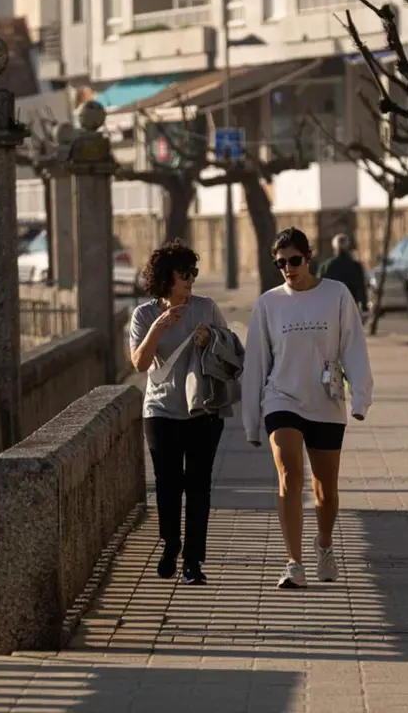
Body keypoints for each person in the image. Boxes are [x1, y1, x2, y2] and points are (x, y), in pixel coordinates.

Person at [242, 227, 374, 589]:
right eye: (280, 263)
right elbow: (256, 362)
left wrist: (360, 396)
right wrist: (252, 422)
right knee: (289, 476)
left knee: (325, 491)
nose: (288, 268)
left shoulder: (336, 295)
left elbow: (353, 347)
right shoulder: (268, 303)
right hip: (281, 398)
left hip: (326, 401)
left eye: (294, 260)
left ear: (308, 257)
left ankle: (325, 547)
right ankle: (293, 563)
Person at [129, 239, 229, 585]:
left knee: (199, 486)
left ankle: (192, 562)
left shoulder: (206, 308)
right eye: (184, 273)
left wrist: (210, 340)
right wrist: (158, 329)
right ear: (165, 277)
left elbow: (230, 350)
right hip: (160, 411)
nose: (190, 279)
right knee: (168, 485)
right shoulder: (143, 315)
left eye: (194, 272)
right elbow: (140, 364)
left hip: (202, 410)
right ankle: (171, 544)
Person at [317, 233, 369, 316]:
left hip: (331, 306)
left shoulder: (325, 266)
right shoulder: (355, 266)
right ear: (348, 246)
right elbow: (361, 287)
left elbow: (318, 287)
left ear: (334, 246)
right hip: (351, 305)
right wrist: (364, 308)